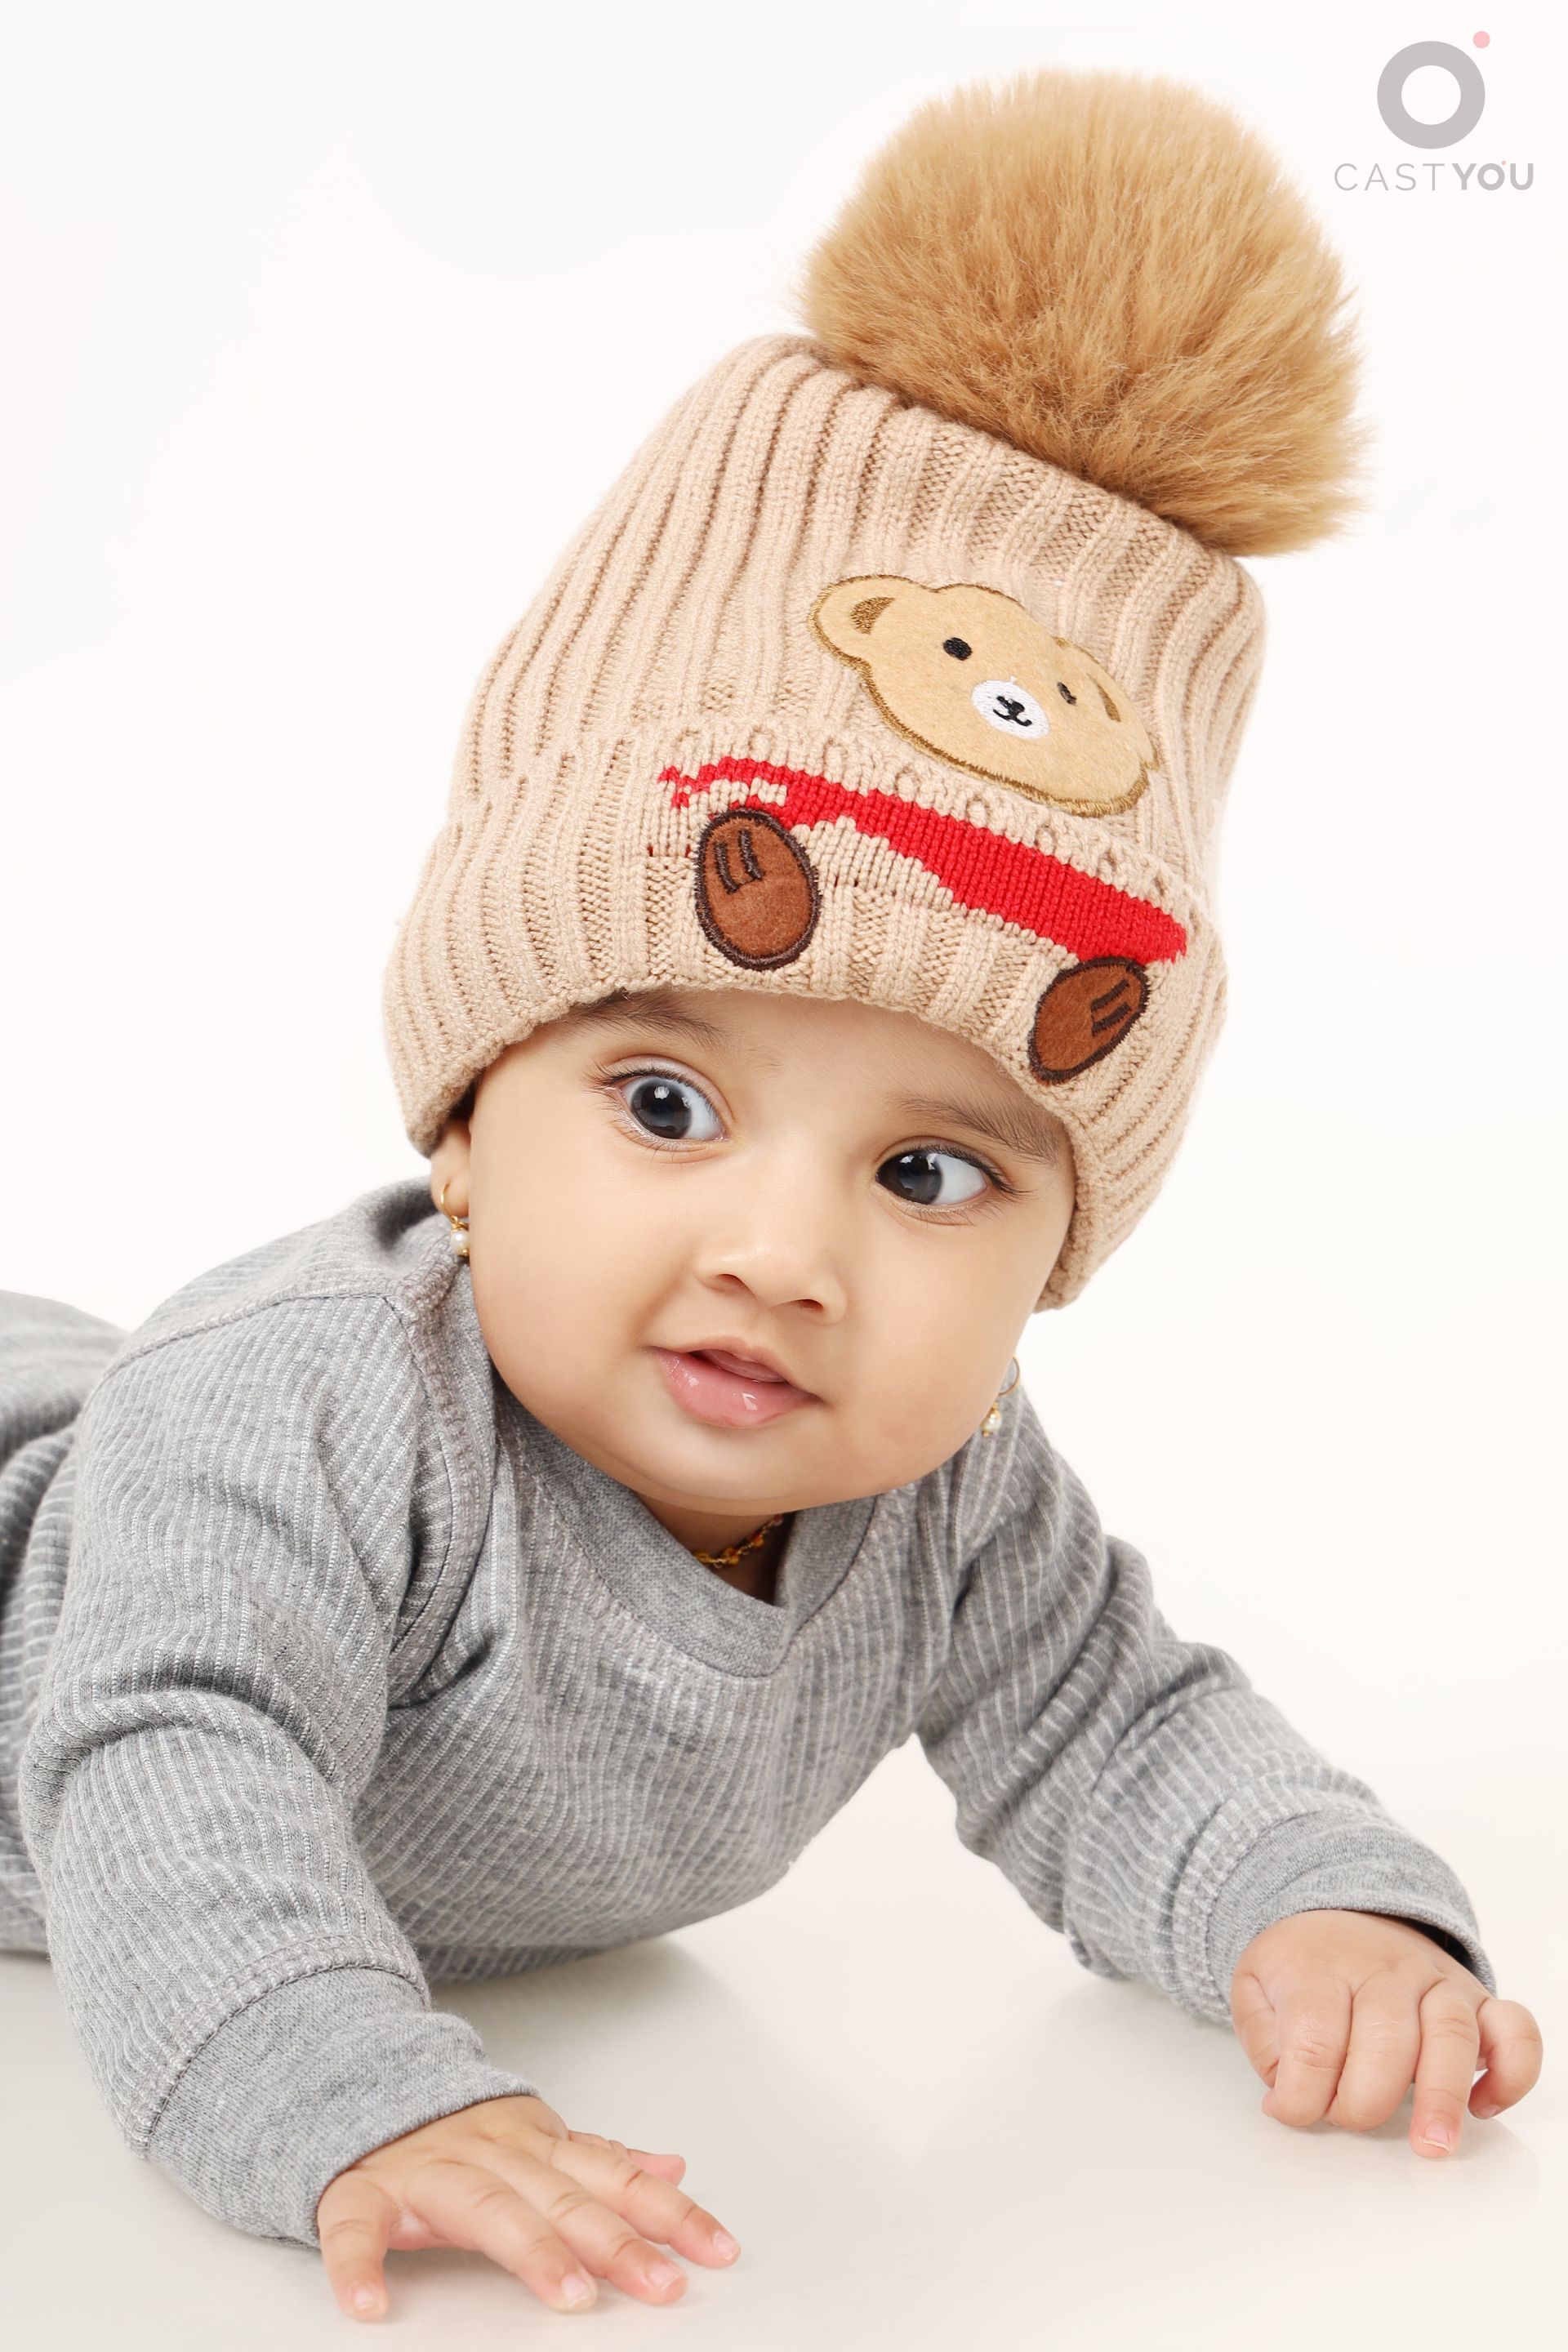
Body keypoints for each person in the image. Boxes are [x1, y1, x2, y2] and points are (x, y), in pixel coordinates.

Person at [0, 64, 1542, 2328]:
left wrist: (1325, 1909)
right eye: (663, 1103)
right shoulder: (300, 1407)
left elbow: (1119, 1723)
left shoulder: (947, 1493)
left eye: (928, 1171)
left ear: (1057, 1250)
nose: (783, 1254)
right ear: (462, 1122)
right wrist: (345, 2087)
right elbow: (170, 1761)